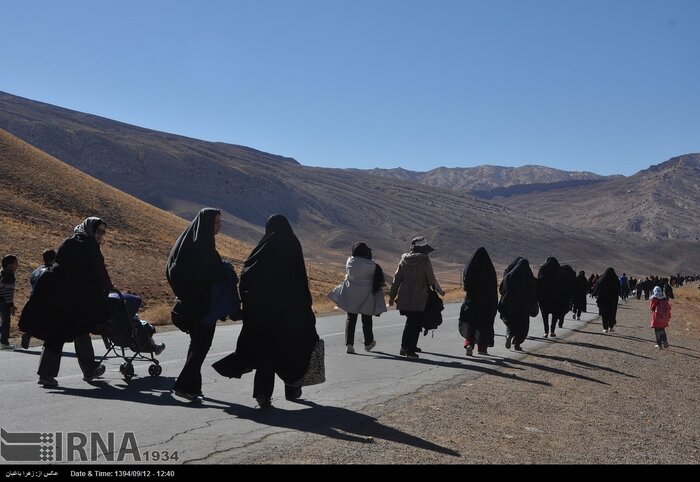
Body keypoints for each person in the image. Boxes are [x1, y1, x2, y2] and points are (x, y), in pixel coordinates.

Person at [213, 214, 320, 408]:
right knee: (293, 348)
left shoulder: (262, 249)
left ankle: (263, 394)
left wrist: (252, 304)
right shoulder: (292, 244)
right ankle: (293, 387)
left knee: (266, 353)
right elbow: (299, 279)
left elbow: (246, 275)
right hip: (289, 312)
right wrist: (304, 307)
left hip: (263, 314)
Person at [21, 218, 111, 387]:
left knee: (69, 332)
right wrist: (107, 289)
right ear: (90, 230)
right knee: (73, 331)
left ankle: (81, 370)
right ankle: (84, 370)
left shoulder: (68, 242)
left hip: (58, 295)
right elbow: (99, 272)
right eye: (98, 231)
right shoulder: (90, 246)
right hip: (72, 299)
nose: (100, 235)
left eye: (103, 232)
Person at [167, 208, 237, 404]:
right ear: (206, 224)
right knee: (201, 346)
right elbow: (202, 275)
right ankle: (183, 386)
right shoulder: (200, 247)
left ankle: (192, 387)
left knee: (197, 345)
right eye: (216, 222)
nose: (219, 226)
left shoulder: (193, 243)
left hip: (195, 304)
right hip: (201, 306)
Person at [388, 236, 444, 358]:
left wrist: (392, 297)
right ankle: (411, 350)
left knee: (410, 321)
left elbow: (396, 280)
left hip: (405, 297)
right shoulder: (424, 260)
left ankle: (404, 347)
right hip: (420, 296)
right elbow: (430, 280)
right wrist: (439, 291)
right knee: (416, 322)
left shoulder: (403, 260)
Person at [328, 242, 386, 354]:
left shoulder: (350, 261)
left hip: (351, 292)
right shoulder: (372, 266)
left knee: (351, 318)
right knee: (367, 319)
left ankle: (349, 344)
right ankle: (368, 343)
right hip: (366, 294)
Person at [459, 247, 498, 356]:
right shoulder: (489, 268)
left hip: (472, 299)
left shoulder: (470, 267)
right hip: (486, 301)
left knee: (470, 322)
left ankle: (469, 344)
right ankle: (482, 349)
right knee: (484, 324)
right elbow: (493, 287)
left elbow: (466, 284)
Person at [498, 257, 537, 351]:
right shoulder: (530, 279)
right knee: (523, 326)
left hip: (510, 305)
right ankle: (517, 344)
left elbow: (501, 290)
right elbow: (534, 292)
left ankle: (509, 335)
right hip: (524, 307)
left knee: (511, 322)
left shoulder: (509, 276)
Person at [20, 249, 56, 349]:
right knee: (49, 322)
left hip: (34, 299)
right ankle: (48, 343)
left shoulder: (36, 271)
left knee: (35, 320)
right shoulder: (52, 271)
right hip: (47, 301)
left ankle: (28, 335)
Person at [592, 267, 621, 333]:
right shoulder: (615, 279)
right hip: (613, 300)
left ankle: (605, 328)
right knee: (612, 313)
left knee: (604, 314)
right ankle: (611, 327)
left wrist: (594, 293)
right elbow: (619, 288)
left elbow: (597, 286)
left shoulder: (602, 278)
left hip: (603, 299)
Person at [0, 255, 19, 349]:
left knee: (2, 322)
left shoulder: (1, 272)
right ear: (9, 265)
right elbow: (8, 292)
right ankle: (4, 342)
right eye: (15, 263)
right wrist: (11, 306)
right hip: (3, 301)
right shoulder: (9, 275)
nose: (17, 265)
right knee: (6, 322)